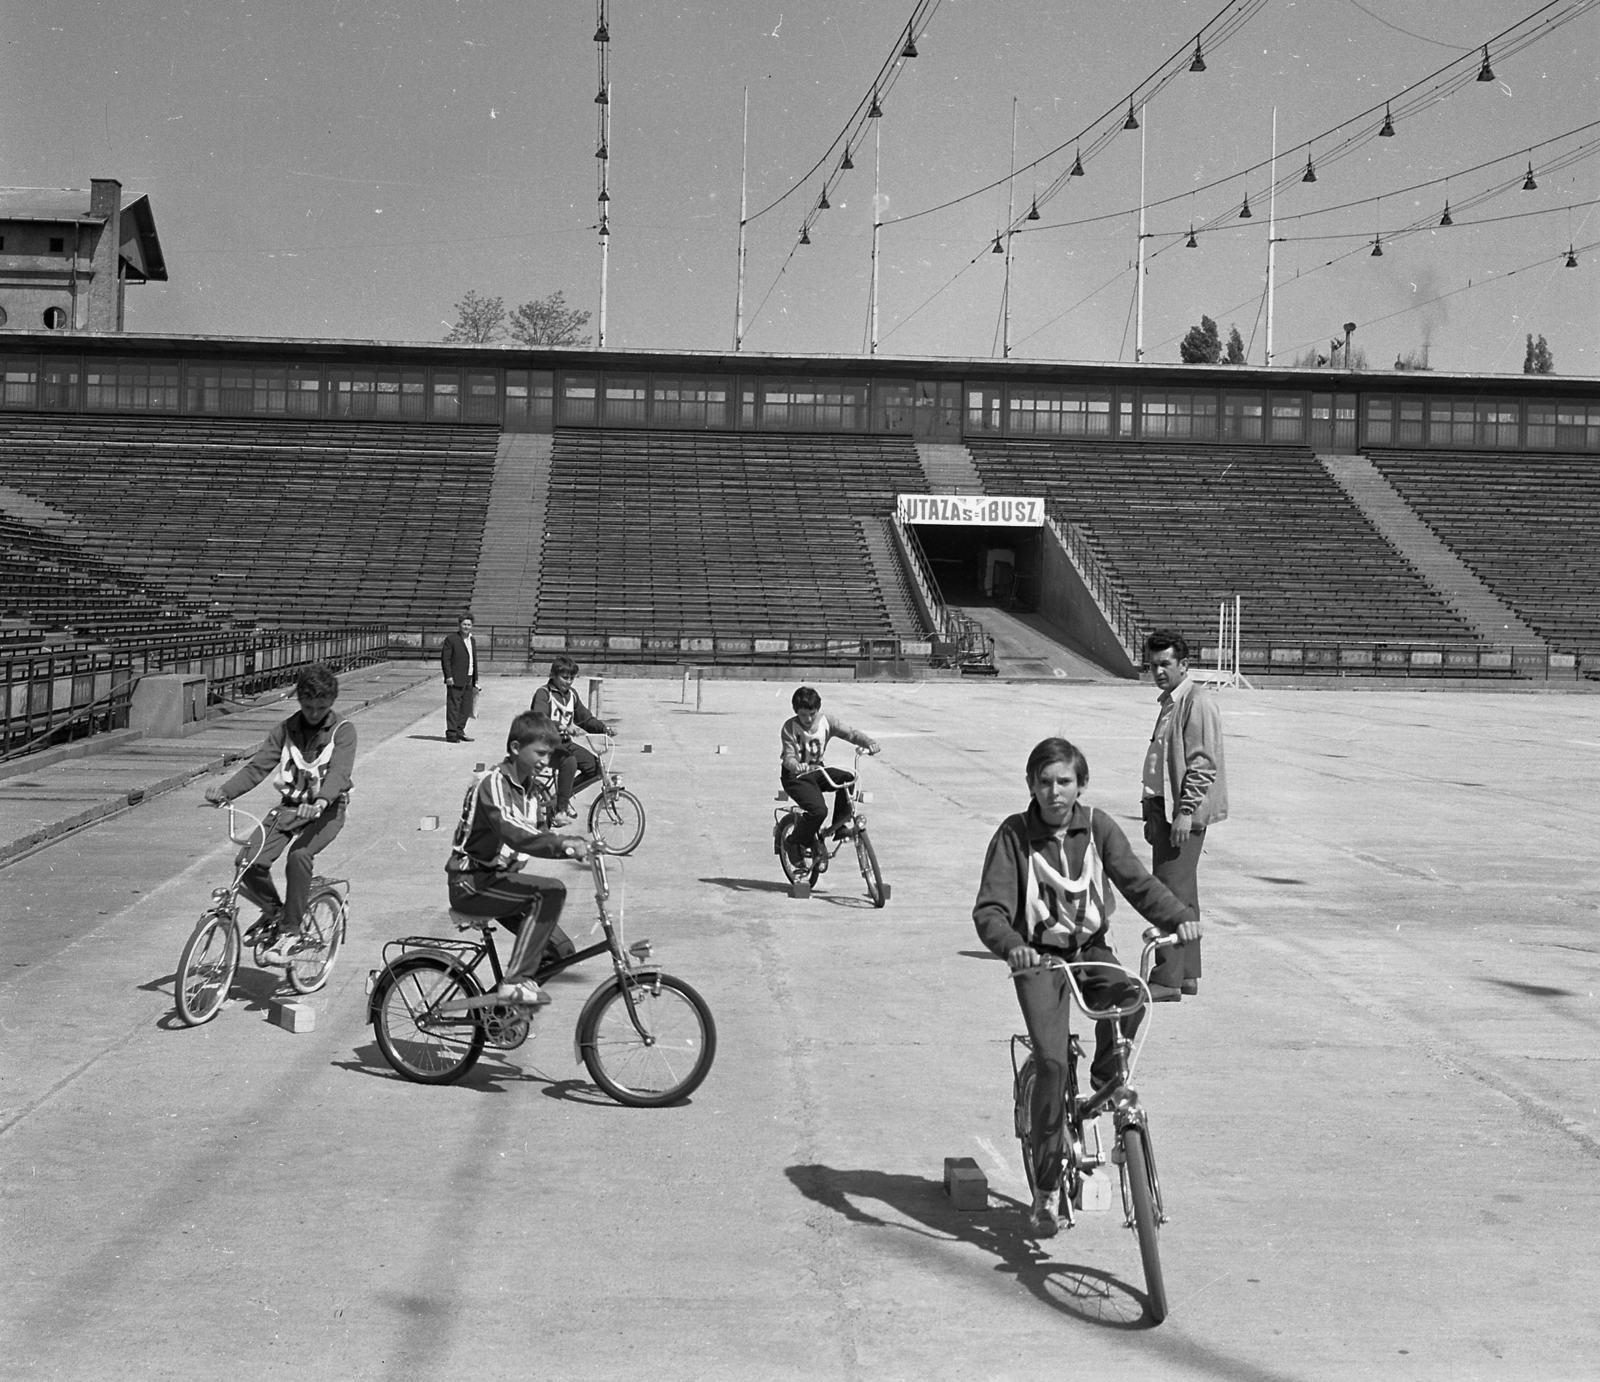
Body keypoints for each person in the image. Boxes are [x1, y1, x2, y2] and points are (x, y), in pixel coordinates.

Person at [972, 737, 1199, 1238]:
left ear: (1081, 785)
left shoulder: (1097, 828)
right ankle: (1048, 1188)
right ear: (1031, 785)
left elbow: (1138, 882)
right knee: (1052, 1064)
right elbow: (989, 909)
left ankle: (1105, 1074)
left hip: (1089, 948)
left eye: (1065, 782)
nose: (1055, 792)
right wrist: (1012, 946)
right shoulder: (1013, 836)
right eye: (1045, 782)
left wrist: (1179, 917)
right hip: (1039, 959)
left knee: (1133, 996)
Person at [202, 664, 355, 962]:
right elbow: (258, 767)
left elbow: (339, 773)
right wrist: (225, 791)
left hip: (327, 810)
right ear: (299, 701)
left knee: (299, 856)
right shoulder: (285, 730)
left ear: (331, 702)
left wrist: (322, 801)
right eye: (307, 706)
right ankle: (277, 913)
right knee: (248, 861)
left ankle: (292, 931)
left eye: (320, 707)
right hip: (290, 807)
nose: (313, 713)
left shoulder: (343, 731)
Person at [446, 712, 589, 1005]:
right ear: (514, 748)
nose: (546, 762)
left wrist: (582, 846)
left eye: (549, 755)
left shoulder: (532, 792)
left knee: (560, 952)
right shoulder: (493, 785)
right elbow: (515, 833)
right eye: (539, 753)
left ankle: (500, 1012)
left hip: (500, 881)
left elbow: (538, 833)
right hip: (471, 880)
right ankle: (515, 981)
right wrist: (563, 844)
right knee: (550, 891)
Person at [1141, 628, 1228, 1000]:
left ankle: (1166, 978)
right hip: (1166, 811)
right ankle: (1188, 973)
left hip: (1182, 814)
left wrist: (1184, 812)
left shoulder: (1196, 702)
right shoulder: (1170, 702)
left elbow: (1202, 764)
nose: (1159, 671)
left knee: (1165, 894)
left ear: (1184, 665)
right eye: (1153, 665)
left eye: (1166, 664)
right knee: (1183, 893)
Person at [779, 686, 880, 869]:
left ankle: (840, 826)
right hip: (796, 777)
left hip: (817, 771)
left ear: (818, 710)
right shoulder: (790, 728)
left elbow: (850, 733)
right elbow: (788, 757)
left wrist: (869, 743)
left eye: (812, 713)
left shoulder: (827, 721)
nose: (808, 719)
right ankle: (793, 842)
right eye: (803, 715)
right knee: (819, 811)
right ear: (796, 712)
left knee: (847, 778)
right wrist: (796, 765)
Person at [529, 656, 611, 825]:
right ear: (553, 675)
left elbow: (585, 718)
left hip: (564, 743)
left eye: (572, 678)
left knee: (595, 768)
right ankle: (560, 811)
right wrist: (563, 727)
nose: (569, 682)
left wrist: (603, 728)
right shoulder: (544, 694)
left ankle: (561, 798)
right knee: (569, 762)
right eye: (564, 677)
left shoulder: (571, 695)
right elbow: (540, 719)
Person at [440, 614, 478, 744]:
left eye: (469, 625)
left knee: (465, 707)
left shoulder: (472, 640)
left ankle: (460, 731)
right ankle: (451, 733)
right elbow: (446, 659)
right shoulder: (451, 639)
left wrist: (475, 679)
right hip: (455, 678)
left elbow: (473, 660)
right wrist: (448, 676)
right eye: (464, 624)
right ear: (459, 625)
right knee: (453, 706)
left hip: (469, 677)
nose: (466, 627)